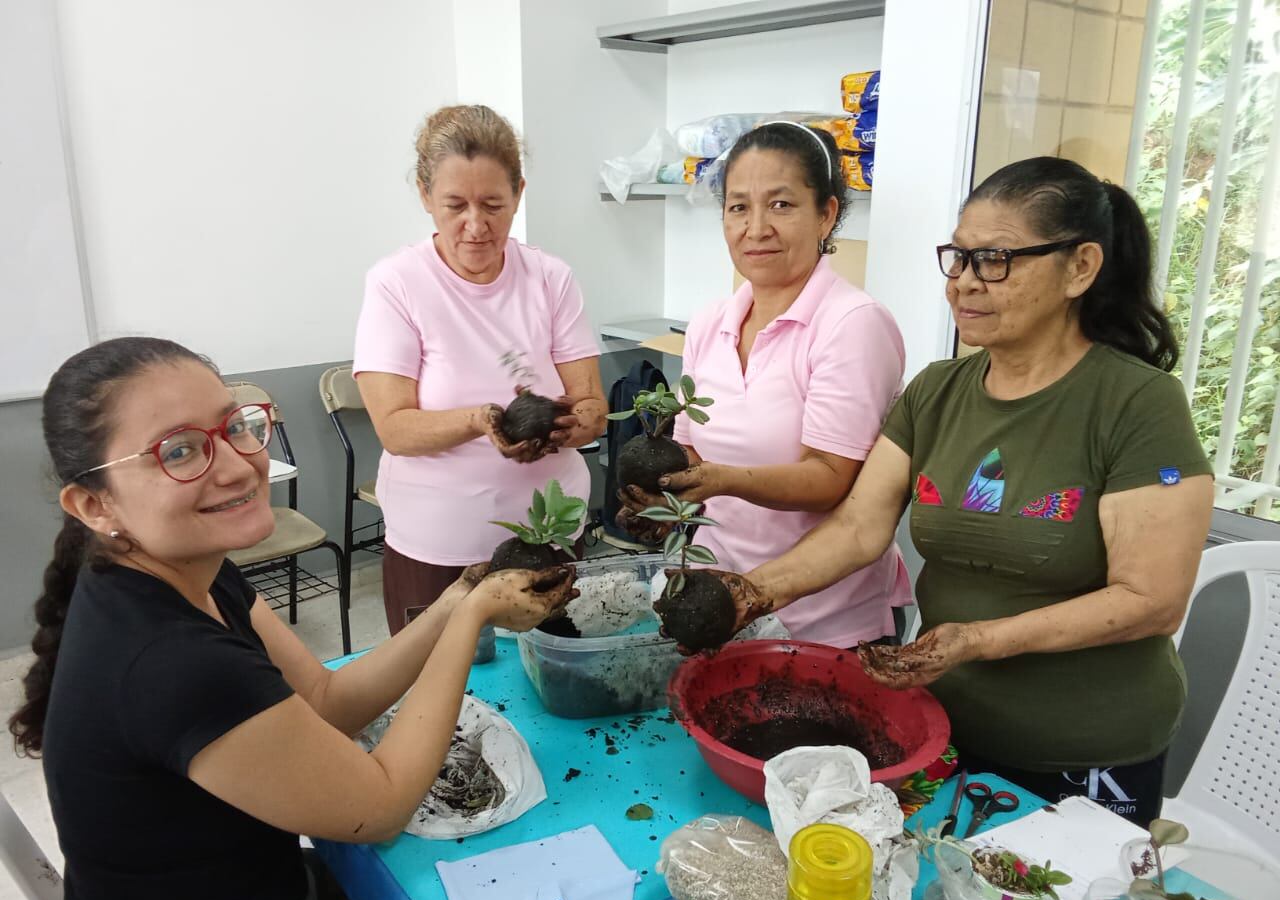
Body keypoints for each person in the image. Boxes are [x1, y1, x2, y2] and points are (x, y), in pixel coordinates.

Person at [8, 337, 576, 900]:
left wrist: (454, 598)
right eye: (178, 451)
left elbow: (327, 701)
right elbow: (380, 806)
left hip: (248, 884)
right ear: (94, 504)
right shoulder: (171, 661)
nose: (234, 465)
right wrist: (471, 619)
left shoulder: (188, 568)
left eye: (235, 426)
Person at [717, 157, 1214, 824]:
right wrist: (751, 595)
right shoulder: (937, 391)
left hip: (1084, 747)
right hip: (941, 724)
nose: (965, 284)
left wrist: (978, 641)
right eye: (958, 258)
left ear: (1080, 267)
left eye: (996, 259)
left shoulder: (1137, 404)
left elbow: (1150, 601)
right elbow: (860, 528)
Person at [620, 121, 911, 645]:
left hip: (827, 626)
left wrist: (723, 478)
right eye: (738, 207)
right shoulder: (712, 322)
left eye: (781, 205)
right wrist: (661, 505)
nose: (756, 227)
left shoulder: (851, 324)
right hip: (723, 604)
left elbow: (829, 479)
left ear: (826, 215)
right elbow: (688, 449)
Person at [354, 104, 606, 635]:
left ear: (518, 192)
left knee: (550, 686)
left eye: (494, 204)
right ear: (425, 196)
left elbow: (592, 408)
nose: (476, 225)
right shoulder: (397, 284)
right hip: (438, 545)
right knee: (443, 704)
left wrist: (566, 426)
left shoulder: (549, 278)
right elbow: (395, 428)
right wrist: (482, 420)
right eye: (455, 204)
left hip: (549, 536)